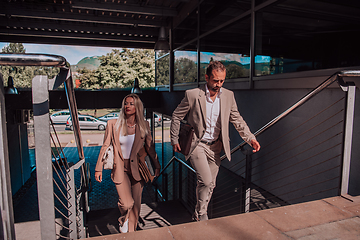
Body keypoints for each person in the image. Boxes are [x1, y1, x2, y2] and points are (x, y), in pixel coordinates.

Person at [170, 61, 260, 221]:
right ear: (207, 77)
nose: (218, 84)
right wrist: (174, 138)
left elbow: (236, 119)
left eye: (222, 81)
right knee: (204, 180)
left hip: (216, 147)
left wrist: (250, 137)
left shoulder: (228, 96)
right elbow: (177, 116)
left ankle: (198, 213)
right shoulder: (192, 95)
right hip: (197, 145)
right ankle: (202, 215)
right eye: (215, 80)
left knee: (211, 184)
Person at [95, 93, 161, 233]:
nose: (128, 106)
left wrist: (157, 165)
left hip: (137, 168)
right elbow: (105, 146)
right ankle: (123, 219)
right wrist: (98, 168)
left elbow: (150, 147)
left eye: (131, 104)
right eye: (126, 103)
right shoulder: (113, 124)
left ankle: (131, 233)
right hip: (120, 168)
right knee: (127, 203)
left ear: (137, 107)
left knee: (136, 205)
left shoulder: (144, 125)